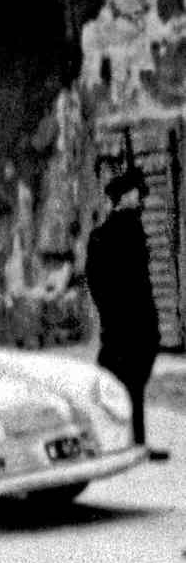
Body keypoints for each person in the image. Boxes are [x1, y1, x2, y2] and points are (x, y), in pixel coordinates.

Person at [85, 169, 170, 462]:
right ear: (122, 197)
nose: (140, 197)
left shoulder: (135, 229)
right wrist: (112, 315)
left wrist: (151, 323)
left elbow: (142, 282)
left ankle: (136, 444)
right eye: (135, 192)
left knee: (134, 384)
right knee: (111, 384)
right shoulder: (104, 235)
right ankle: (109, 443)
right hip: (121, 324)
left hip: (141, 322)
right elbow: (96, 281)